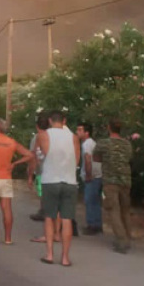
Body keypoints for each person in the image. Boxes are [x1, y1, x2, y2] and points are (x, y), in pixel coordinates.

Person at [36, 110, 81, 266]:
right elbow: (76, 160)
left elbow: (44, 154)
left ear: (49, 120)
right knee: (67, 218)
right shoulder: (74, 138)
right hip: (69, 181)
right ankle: (65, 257)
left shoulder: (43, 136)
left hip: (50, 180)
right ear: (64, 121)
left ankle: (49, 254)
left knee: (49, 217)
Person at [94, 119, 133, 254]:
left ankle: (122, 240)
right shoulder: (127, 144)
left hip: (110, 181)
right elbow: (129, 158)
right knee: (125, 210)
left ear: (108, 128)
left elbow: (96, 158)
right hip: (126, 181)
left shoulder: (103, 143)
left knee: (113, 210)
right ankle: (127, 236)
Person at [77, 122, 103, 235]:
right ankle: (97, 224)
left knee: (89, 201)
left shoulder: (87, 144)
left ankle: (92, 225)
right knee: (95, 201)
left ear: (86, 132)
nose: (77, 132)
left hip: (92, 176)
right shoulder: (92, 143)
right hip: (98, 175)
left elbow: (88, 159)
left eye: (80, 130)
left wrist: (88, 174)